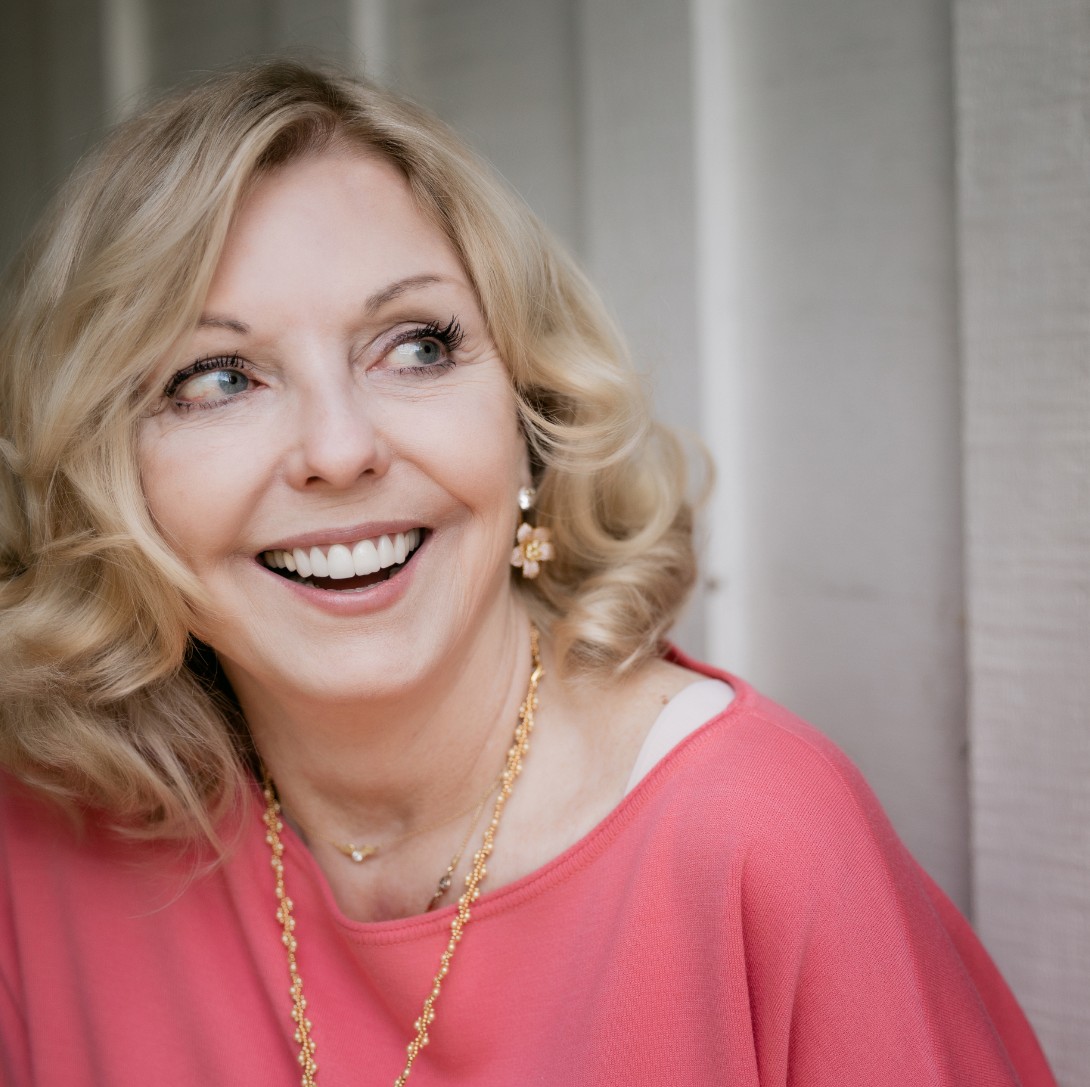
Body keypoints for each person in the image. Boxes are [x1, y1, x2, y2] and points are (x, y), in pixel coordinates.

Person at [0, 61, 1055, 1087]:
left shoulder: (758, 842)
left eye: (413, 345)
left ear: (529, 413)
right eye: (219, 376)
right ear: (102, 469)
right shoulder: (42, 833)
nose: (339, 448)